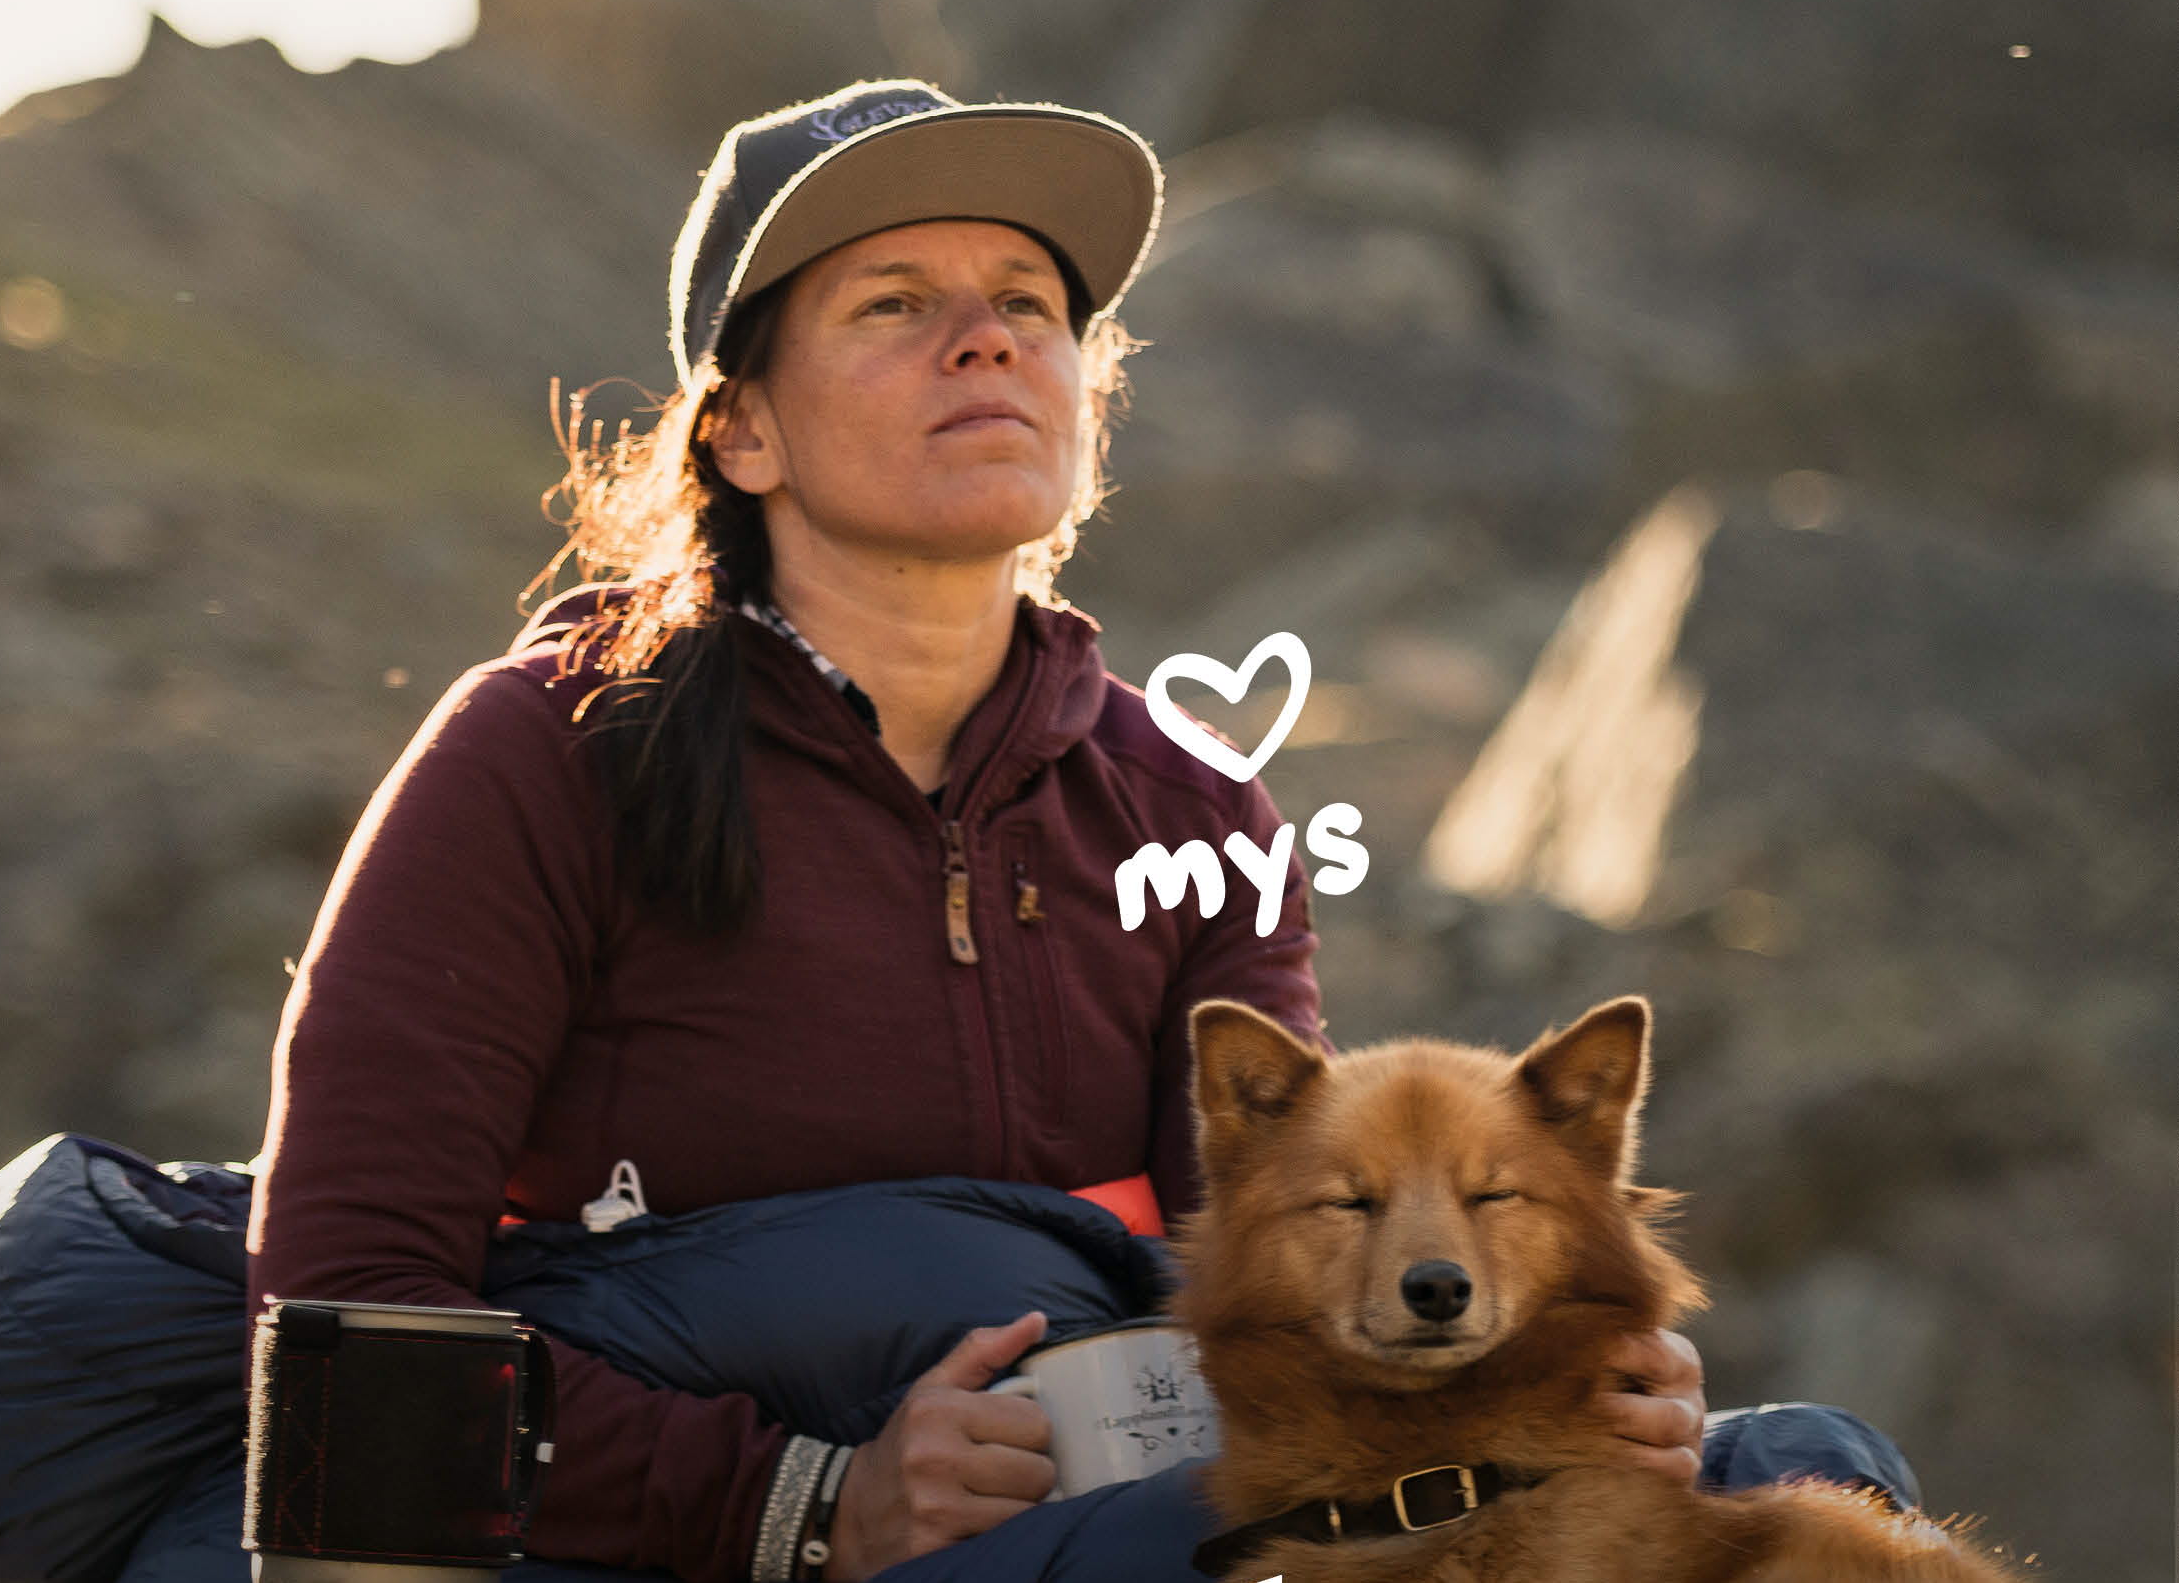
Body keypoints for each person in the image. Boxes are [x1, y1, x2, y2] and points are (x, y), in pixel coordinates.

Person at [246, 79, 1711, 1583]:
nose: (988, 335)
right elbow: (348, 1304)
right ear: (740, 430)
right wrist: (799, 1500)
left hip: (1087, 1507)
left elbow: (1271, 1276)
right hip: (671, 1546)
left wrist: (1570, 1377)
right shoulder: (545, 752)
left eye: (1027, 301)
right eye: (894, 302)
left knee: (1799, 1481)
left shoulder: (1192, 807)